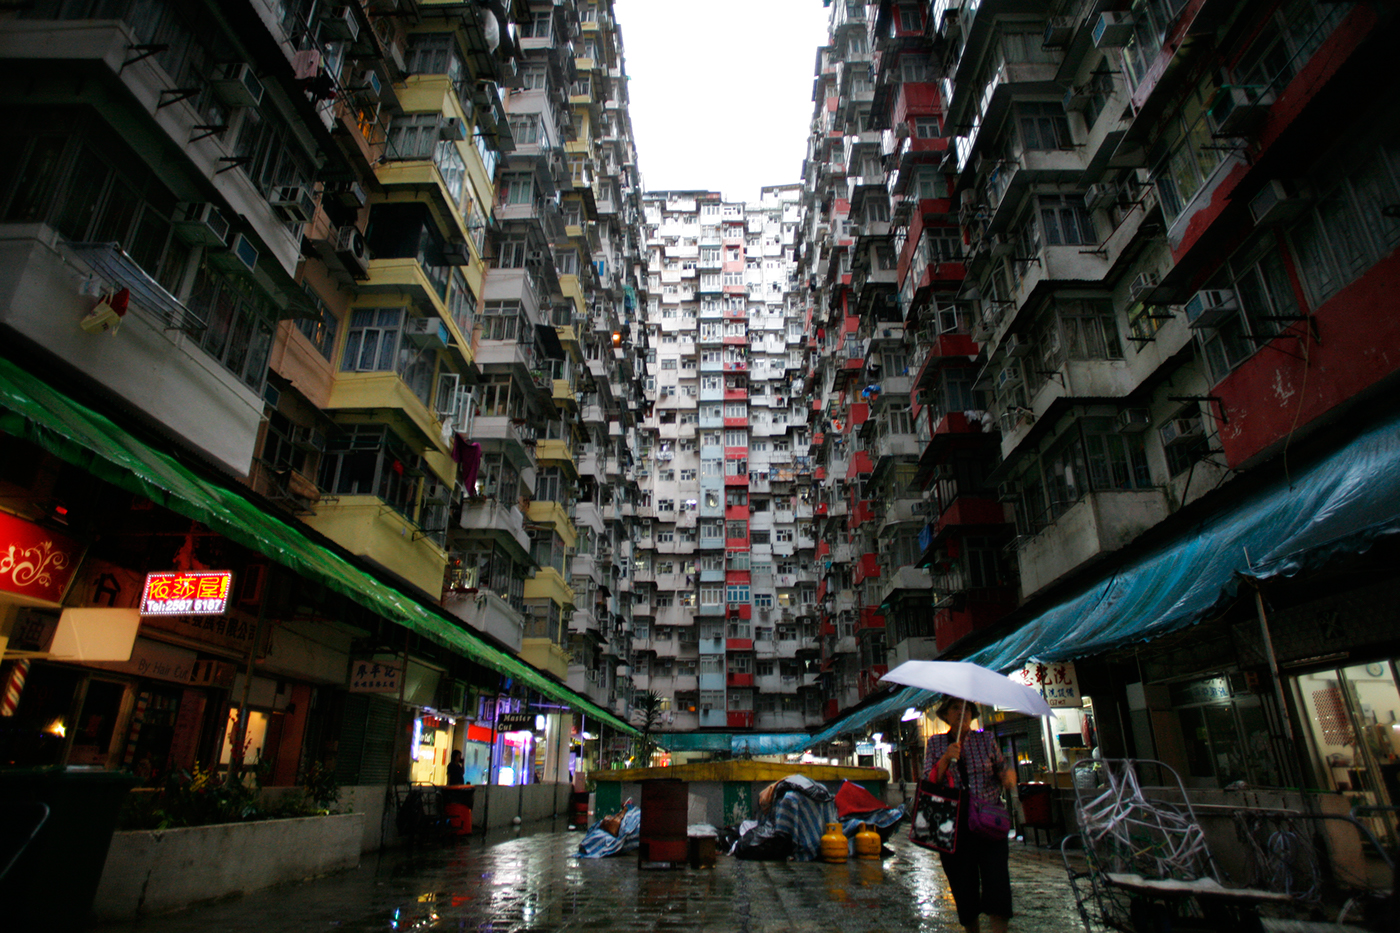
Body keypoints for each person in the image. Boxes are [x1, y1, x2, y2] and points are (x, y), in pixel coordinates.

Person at [924, 697, 1018, 933]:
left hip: (989, 822)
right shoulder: (935, 744)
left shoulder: (985, 739)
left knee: (997, 882)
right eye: (956, 708)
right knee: (963, 885)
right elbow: (929, 781)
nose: (962, 713)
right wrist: (946, 758)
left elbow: (1002, 768)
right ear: (946, 714)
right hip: (954, 826)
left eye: (967, 709)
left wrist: (1008, 777)